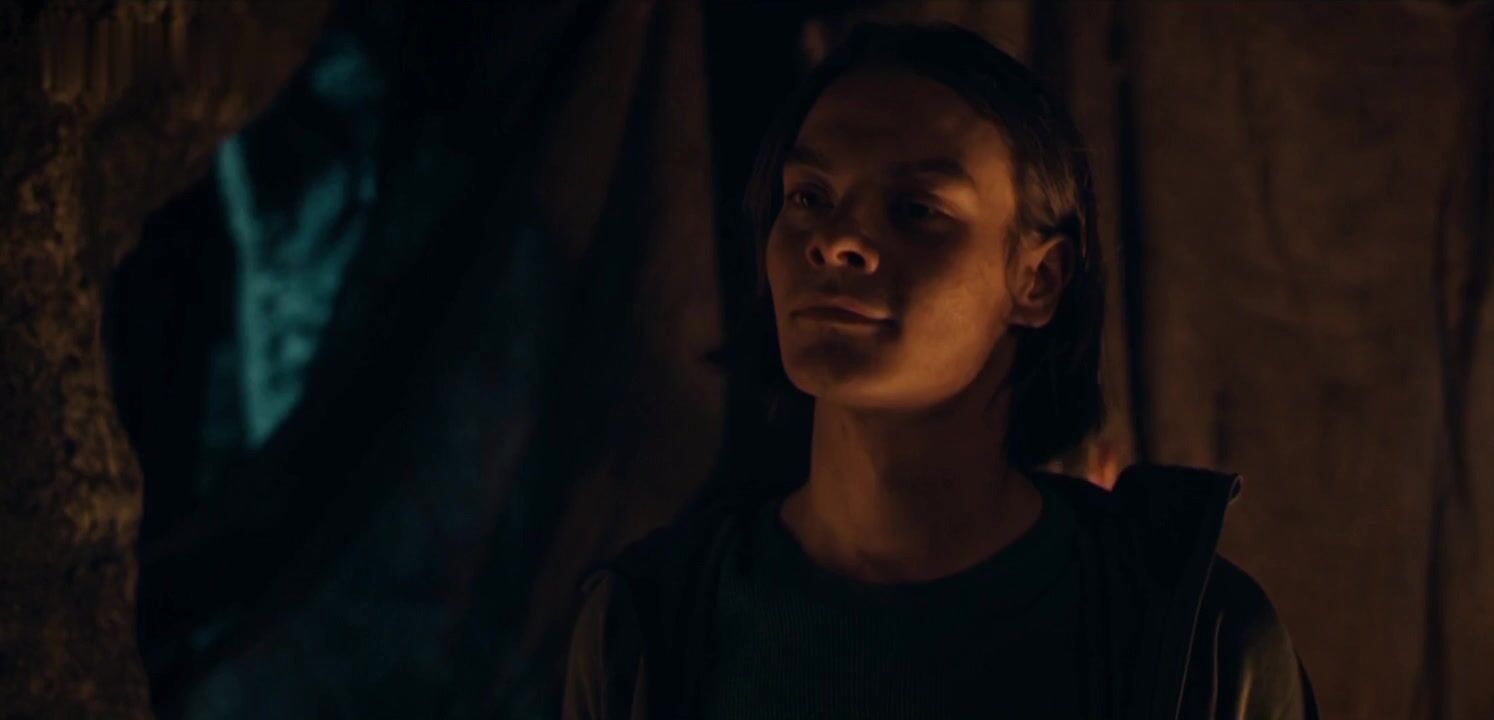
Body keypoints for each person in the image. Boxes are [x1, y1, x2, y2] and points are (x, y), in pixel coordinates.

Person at [561, 21, 1317, 720]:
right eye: (809, 197)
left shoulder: (1190, 641)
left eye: (916, 209)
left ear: (1037, 279)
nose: (836, 241)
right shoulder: (653, 627)